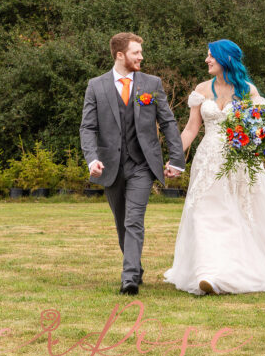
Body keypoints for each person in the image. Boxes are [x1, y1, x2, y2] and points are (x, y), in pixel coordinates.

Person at [163, 39, 265, 295]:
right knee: (203, 214)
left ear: (225, 59)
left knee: (237, 216)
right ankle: (207, 273)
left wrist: (254, 150)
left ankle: (231, 272)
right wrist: (175, 157)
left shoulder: (248, 91)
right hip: (208, 162)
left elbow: (259, 133)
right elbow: (191, 128)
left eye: (211, 56)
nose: (207, 60)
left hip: (239, 162)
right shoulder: (201, 90)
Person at [80, 32, 186, 295]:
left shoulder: (152, 84)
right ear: (120, 55)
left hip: (142, 165)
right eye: (136, 52)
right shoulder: (96, 85)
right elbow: (88, 127)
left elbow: (168, 122)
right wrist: (92, 159)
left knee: (133, 220)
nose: (141, 56)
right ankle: (135, 268)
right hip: (110, 165)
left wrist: (176, 159)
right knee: (121, 223)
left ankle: (128, 279)